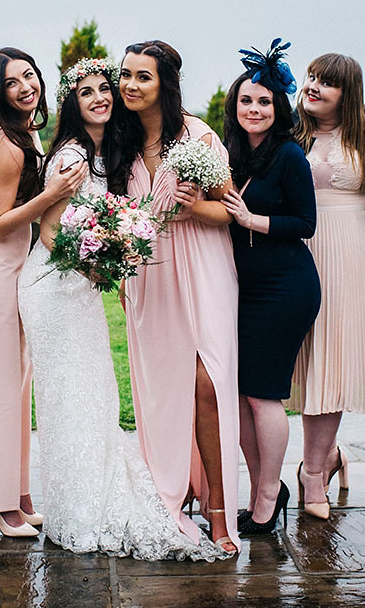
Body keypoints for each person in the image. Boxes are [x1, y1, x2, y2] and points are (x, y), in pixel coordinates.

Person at [17, 58, 218, 559]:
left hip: (78, 286)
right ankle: (80, 510)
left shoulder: (107, 151)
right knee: (70, 398)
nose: (101, 98)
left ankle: (83, 502)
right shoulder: (70, 157)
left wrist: (109, 251)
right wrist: (98, 266)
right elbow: (48, 230)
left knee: (92, 396)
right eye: (87, 93)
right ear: (73, 103)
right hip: (54, 288)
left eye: (104, 89)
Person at [112, 39, 240, 553]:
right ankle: (170, 492)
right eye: (126, 75)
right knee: (163, 388)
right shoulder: (117, 143)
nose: (130, 85)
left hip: (203, 265)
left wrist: (193, 207)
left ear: (165, 82)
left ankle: (218, 511)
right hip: (148, 275)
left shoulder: (198, 135)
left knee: (207, 383)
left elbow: (228, 210)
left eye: (142, 76)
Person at [0, 47, 84, 536]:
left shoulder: (23, 132)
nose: (25, 87)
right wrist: (52, 195)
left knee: (18, 386)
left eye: (30, 76)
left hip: (17, 265)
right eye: (13, 81)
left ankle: (17, 492)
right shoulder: (7, 145)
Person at [220, 41, 320, 534]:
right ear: (234, 106)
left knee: (263, 395)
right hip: (242, 288)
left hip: (285, 287)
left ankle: (265, 497)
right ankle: (266, 485)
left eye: (263, 101)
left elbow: (306, 222)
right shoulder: (232, 153)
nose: (253, 109)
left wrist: (250, 219)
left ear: (278, 107)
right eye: (246, 101)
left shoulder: (288, 155)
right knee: (239, 394)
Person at [289, 52, 365, 519]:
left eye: (326, 82)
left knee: (334, 361)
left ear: (348, 93)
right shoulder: (291, 133)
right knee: (309, 362)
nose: (313, 86)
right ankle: (325, 458)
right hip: (302, 250)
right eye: (310, 77)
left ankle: (312, 475)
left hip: (354, 255)